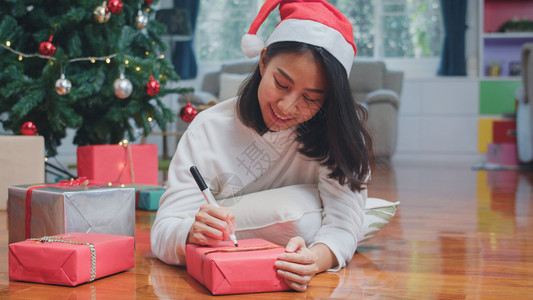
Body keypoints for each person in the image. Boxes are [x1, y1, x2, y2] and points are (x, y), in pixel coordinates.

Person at [151, 0, 374, 292]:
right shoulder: (209, 128)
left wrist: (314, 259)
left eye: (311, 98)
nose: (287, 106)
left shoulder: (338, 136)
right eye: (281, 84)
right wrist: (192, 231)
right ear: (264, 61)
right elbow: (162, 233)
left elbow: (343, 225)